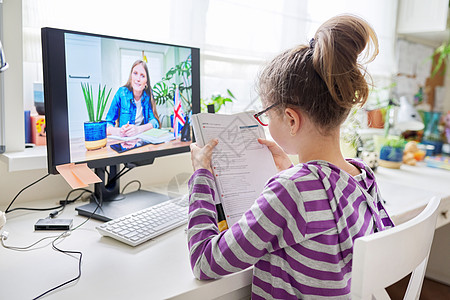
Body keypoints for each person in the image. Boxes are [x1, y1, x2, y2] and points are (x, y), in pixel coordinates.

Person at [187, 15, 394, 299]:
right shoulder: (363, 178)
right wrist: (292, 169)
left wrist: (201, 176)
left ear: (291, 120)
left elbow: (205, 262)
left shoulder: (292, 190)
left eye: (265, 114)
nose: (264, 123)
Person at [106, 60, 160, 137]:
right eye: (135, 73)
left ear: (146, 82)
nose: (138, 79)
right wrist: (119, 131)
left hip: (141, 140)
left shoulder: (148, 95)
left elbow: (155, 122)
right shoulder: (121, 93)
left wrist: (138, 129)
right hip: (124, 141)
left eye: (142, 76)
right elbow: (107, 124)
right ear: (131, 77)